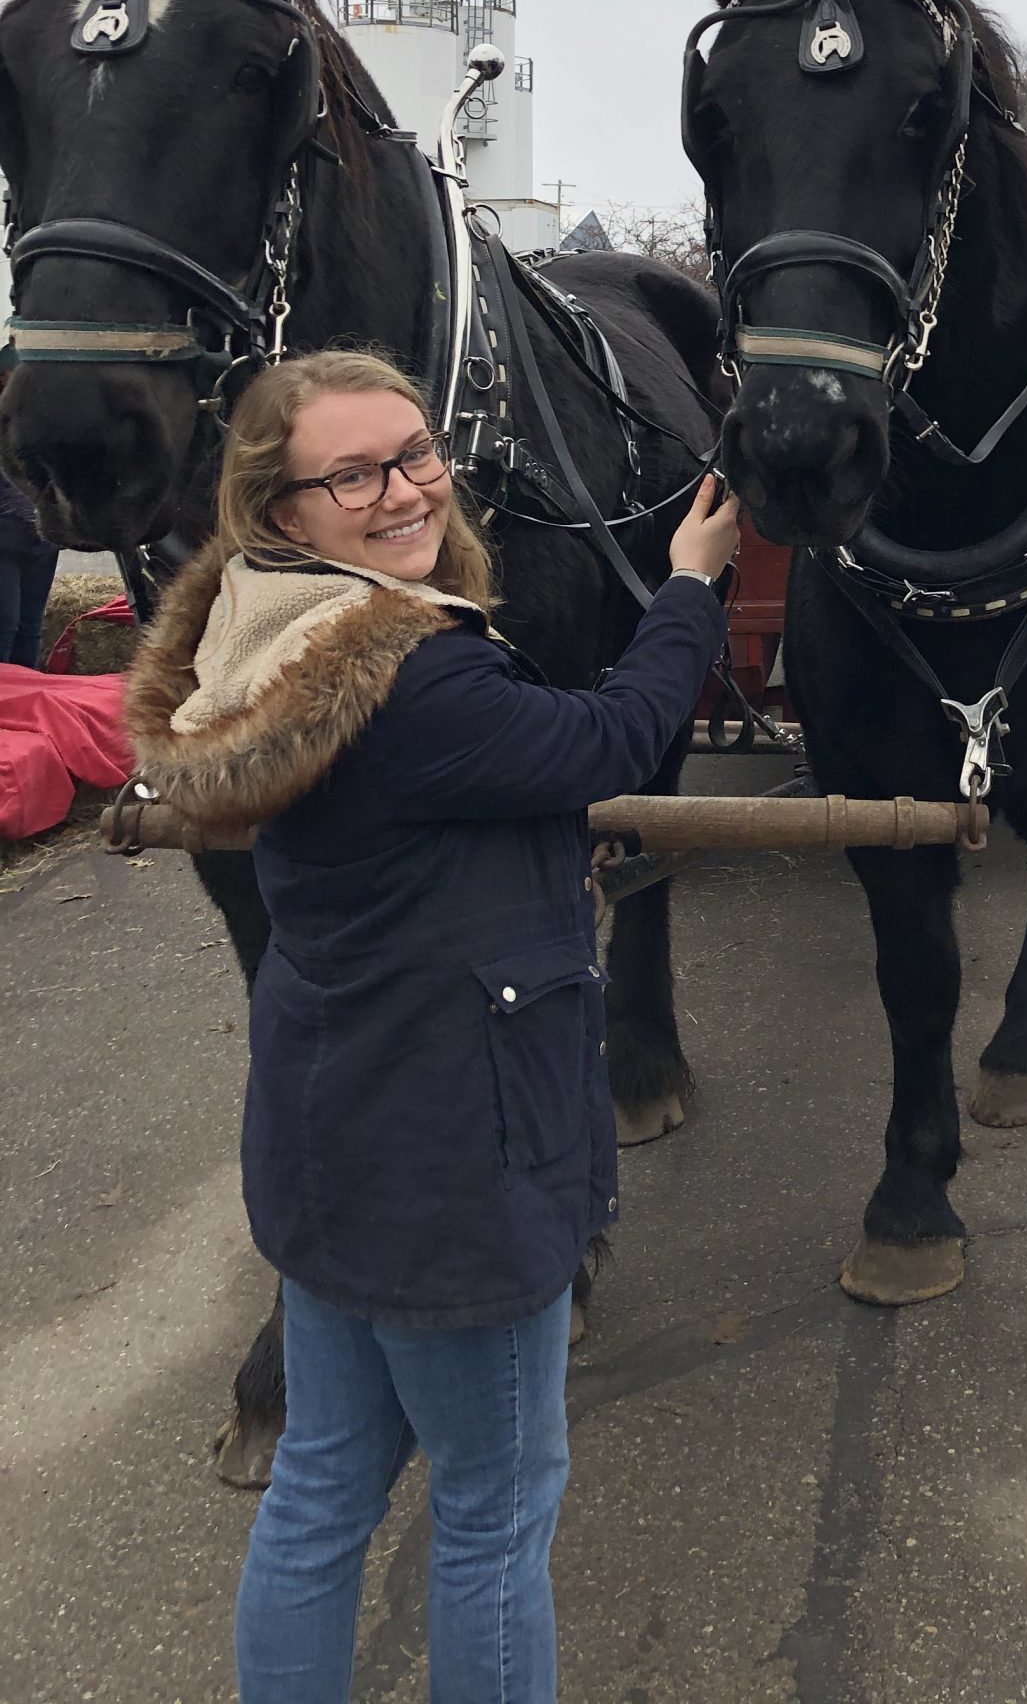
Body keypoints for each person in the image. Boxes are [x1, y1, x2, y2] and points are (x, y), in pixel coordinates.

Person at [121, 348, 738, 1704]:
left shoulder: (255, 627)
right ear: (281, 509)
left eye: (415, 453)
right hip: (456, 1161)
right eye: (353, 476)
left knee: (325, 1481)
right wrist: (692, 587)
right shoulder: (414, 681)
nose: (404, 491)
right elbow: (616, 736)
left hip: (331, 1135)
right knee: (494, 1508)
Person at [0, 471, 60, 667]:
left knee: (30, 626)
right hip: (5, 540)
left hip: (44, 541)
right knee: (6, 624)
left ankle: (25, 683)